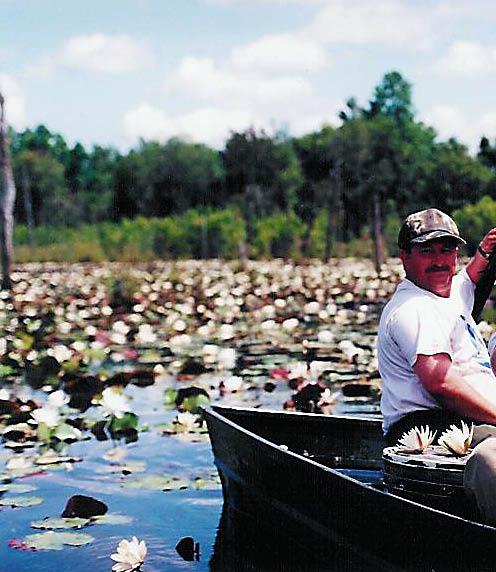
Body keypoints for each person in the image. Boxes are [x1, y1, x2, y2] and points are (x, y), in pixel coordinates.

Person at [377, 207, 496, 523]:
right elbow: (440, 383)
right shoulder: (415, 310)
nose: (439, 260)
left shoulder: (445, 294)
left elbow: (469, 281)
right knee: (491, 461)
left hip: (469, 420)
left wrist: (487, 250)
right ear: (405, 257)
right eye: (426, 251)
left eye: (447, 249)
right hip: (435, 428)